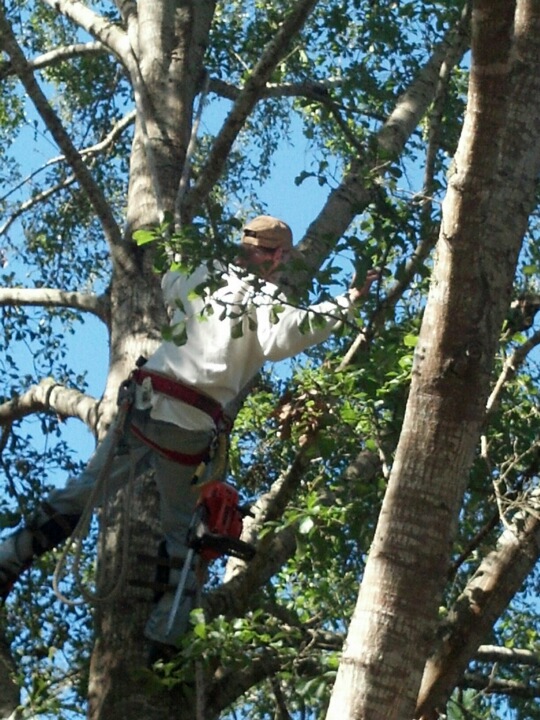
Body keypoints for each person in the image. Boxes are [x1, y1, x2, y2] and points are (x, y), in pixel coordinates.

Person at [0, 215, 378, 653]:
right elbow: (287, 338)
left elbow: (172, 283)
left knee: (83, 492)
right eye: (281, 255)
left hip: (143, 410)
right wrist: (347, 299)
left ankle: (10, 557)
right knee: (178, 531)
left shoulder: (199, 273)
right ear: (274, 256)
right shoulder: (266, 299)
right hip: (189, 430)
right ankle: (166, 634)